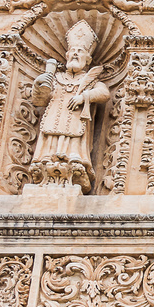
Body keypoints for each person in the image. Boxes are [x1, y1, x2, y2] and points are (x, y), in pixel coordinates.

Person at [28, 21, 113, 190]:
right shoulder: (55, 77)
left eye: (80, 51)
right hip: (53, 121)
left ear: (87, 59)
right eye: (72, 51)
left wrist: (84, 96)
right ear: (66, 56)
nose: (75, 54)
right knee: (49, 149)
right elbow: (39, 100)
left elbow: (104, 94)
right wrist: (39, 86)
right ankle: (45, 162)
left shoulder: (90, 80)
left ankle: (75, 166)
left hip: (76, 125)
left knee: (73, 149)